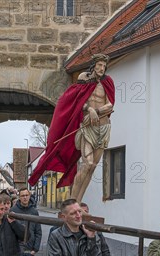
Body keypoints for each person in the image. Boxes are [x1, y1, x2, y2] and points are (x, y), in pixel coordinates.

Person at [28, 53, 115, 202]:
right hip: (87, 127)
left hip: (104, 127)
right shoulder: (84, 78)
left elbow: (110, 104)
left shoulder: (107, 82)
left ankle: (79, 202)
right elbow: (75, 101)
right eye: (99, 65)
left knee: (93, 166)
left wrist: (98, 111)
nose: (102, 68)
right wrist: (90, 109)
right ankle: (72, 200)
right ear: (94, 66)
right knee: (86, 164)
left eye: (104, 66)